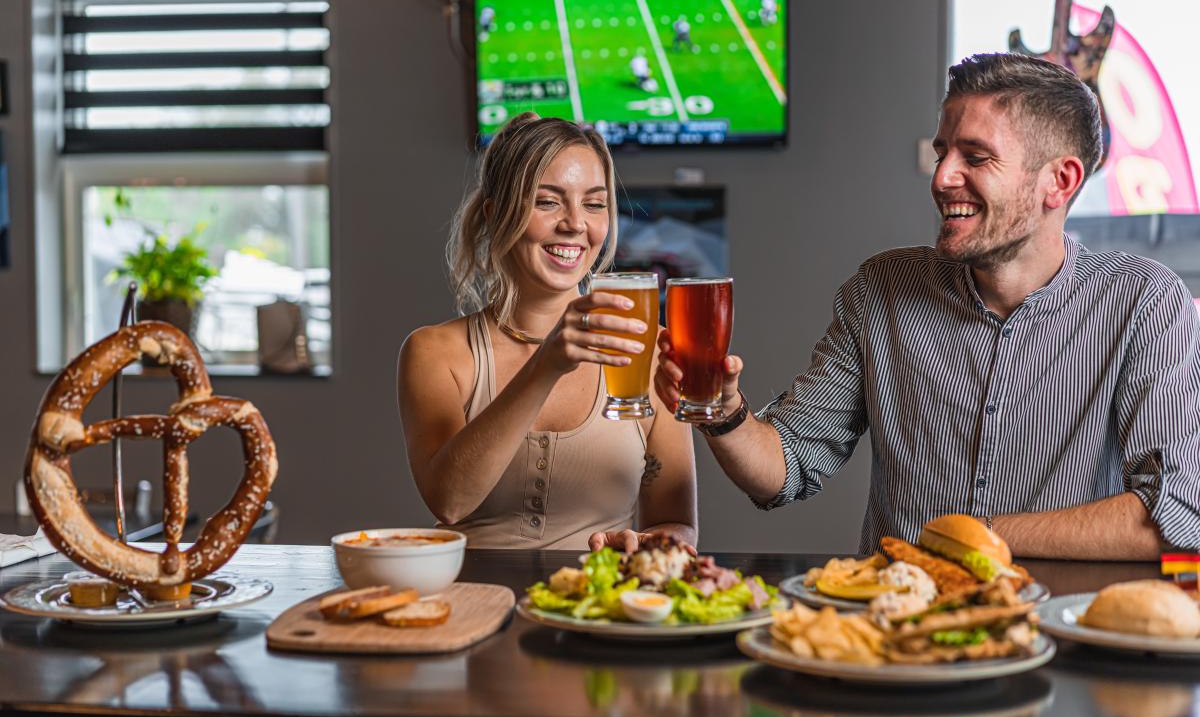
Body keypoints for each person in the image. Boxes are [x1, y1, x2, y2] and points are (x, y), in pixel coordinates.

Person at [654, 52, 1200, 561]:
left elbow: (1176, 514)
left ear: (1059, 181)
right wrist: (724, 415)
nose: (941, 178)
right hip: (897, 640)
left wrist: (972, 538)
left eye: (976, 157)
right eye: (942, 152)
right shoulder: (882, 288)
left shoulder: (1145, 302)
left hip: (1056, 636)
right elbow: (786, 465)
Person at [398, 110, 697, 554]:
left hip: (599, 608)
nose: (576, 223)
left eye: (594, 203)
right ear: (497, 215)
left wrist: (646, 547)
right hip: (472, 605)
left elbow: (675, 523)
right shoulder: (434, 352)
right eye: (548, 201)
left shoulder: (649, 349)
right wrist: (547, 365)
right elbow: (450, 501)